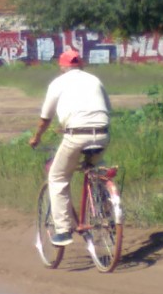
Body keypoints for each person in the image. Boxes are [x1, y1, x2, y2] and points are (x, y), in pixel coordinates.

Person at [29, 49, 112, 246]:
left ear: (61, 67)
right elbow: (107, 108)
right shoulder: (94, 80)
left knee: (57, 177)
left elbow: (45, 119)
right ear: (81, 65)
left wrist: (36, 138)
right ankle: (106, 205)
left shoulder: (58, 83)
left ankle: (63, 230)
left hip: (76, 135)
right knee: (97, 167)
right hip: (102, 133)